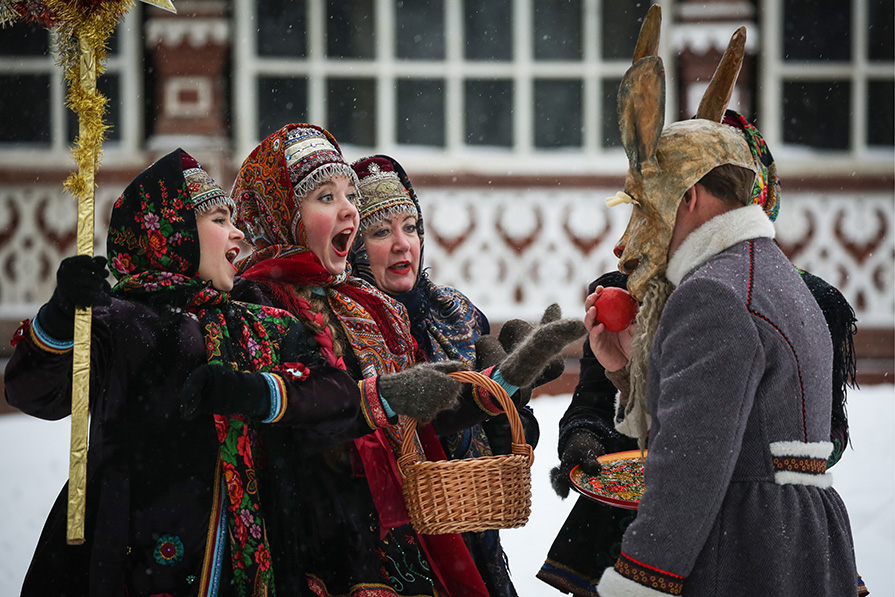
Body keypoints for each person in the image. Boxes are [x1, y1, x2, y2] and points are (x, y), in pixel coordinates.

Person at [229, 123, 585, 596]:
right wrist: (384, 401)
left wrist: (506, 383)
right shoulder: (255, 304)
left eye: (348, 196)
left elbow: (423, 422)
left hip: (410, 540)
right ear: (282, 212)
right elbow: (295, 423)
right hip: (315, 545)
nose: (347, 211)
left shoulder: (369, 307)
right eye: (325, 197)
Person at [3, 149, 373, 595]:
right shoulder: (117, 320)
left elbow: (341, 398)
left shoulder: (259, 320)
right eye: (218, 220)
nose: (237, 233)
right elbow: (33, 392)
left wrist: (258, 392)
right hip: (127, 560)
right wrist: (62, 316)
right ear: (172, 233)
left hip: (250, 568)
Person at [589, 16, 861, 595]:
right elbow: (736, 424)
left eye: (644, 205)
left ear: (688, 197)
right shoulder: (774, 277)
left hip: (744, 552)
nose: (628, 237)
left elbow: (690, 465)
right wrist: (626, 367)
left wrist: (640, 580)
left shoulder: (713, 295)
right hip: (801, 548)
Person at [349, 154, 557, 596]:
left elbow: (513, 432)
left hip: (471, 529)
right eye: (381, 232)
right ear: (353, 246)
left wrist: (509, 410)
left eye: (410, 227)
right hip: (392, 544)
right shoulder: (348, 323)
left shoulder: (456, 313)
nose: (403, 244)